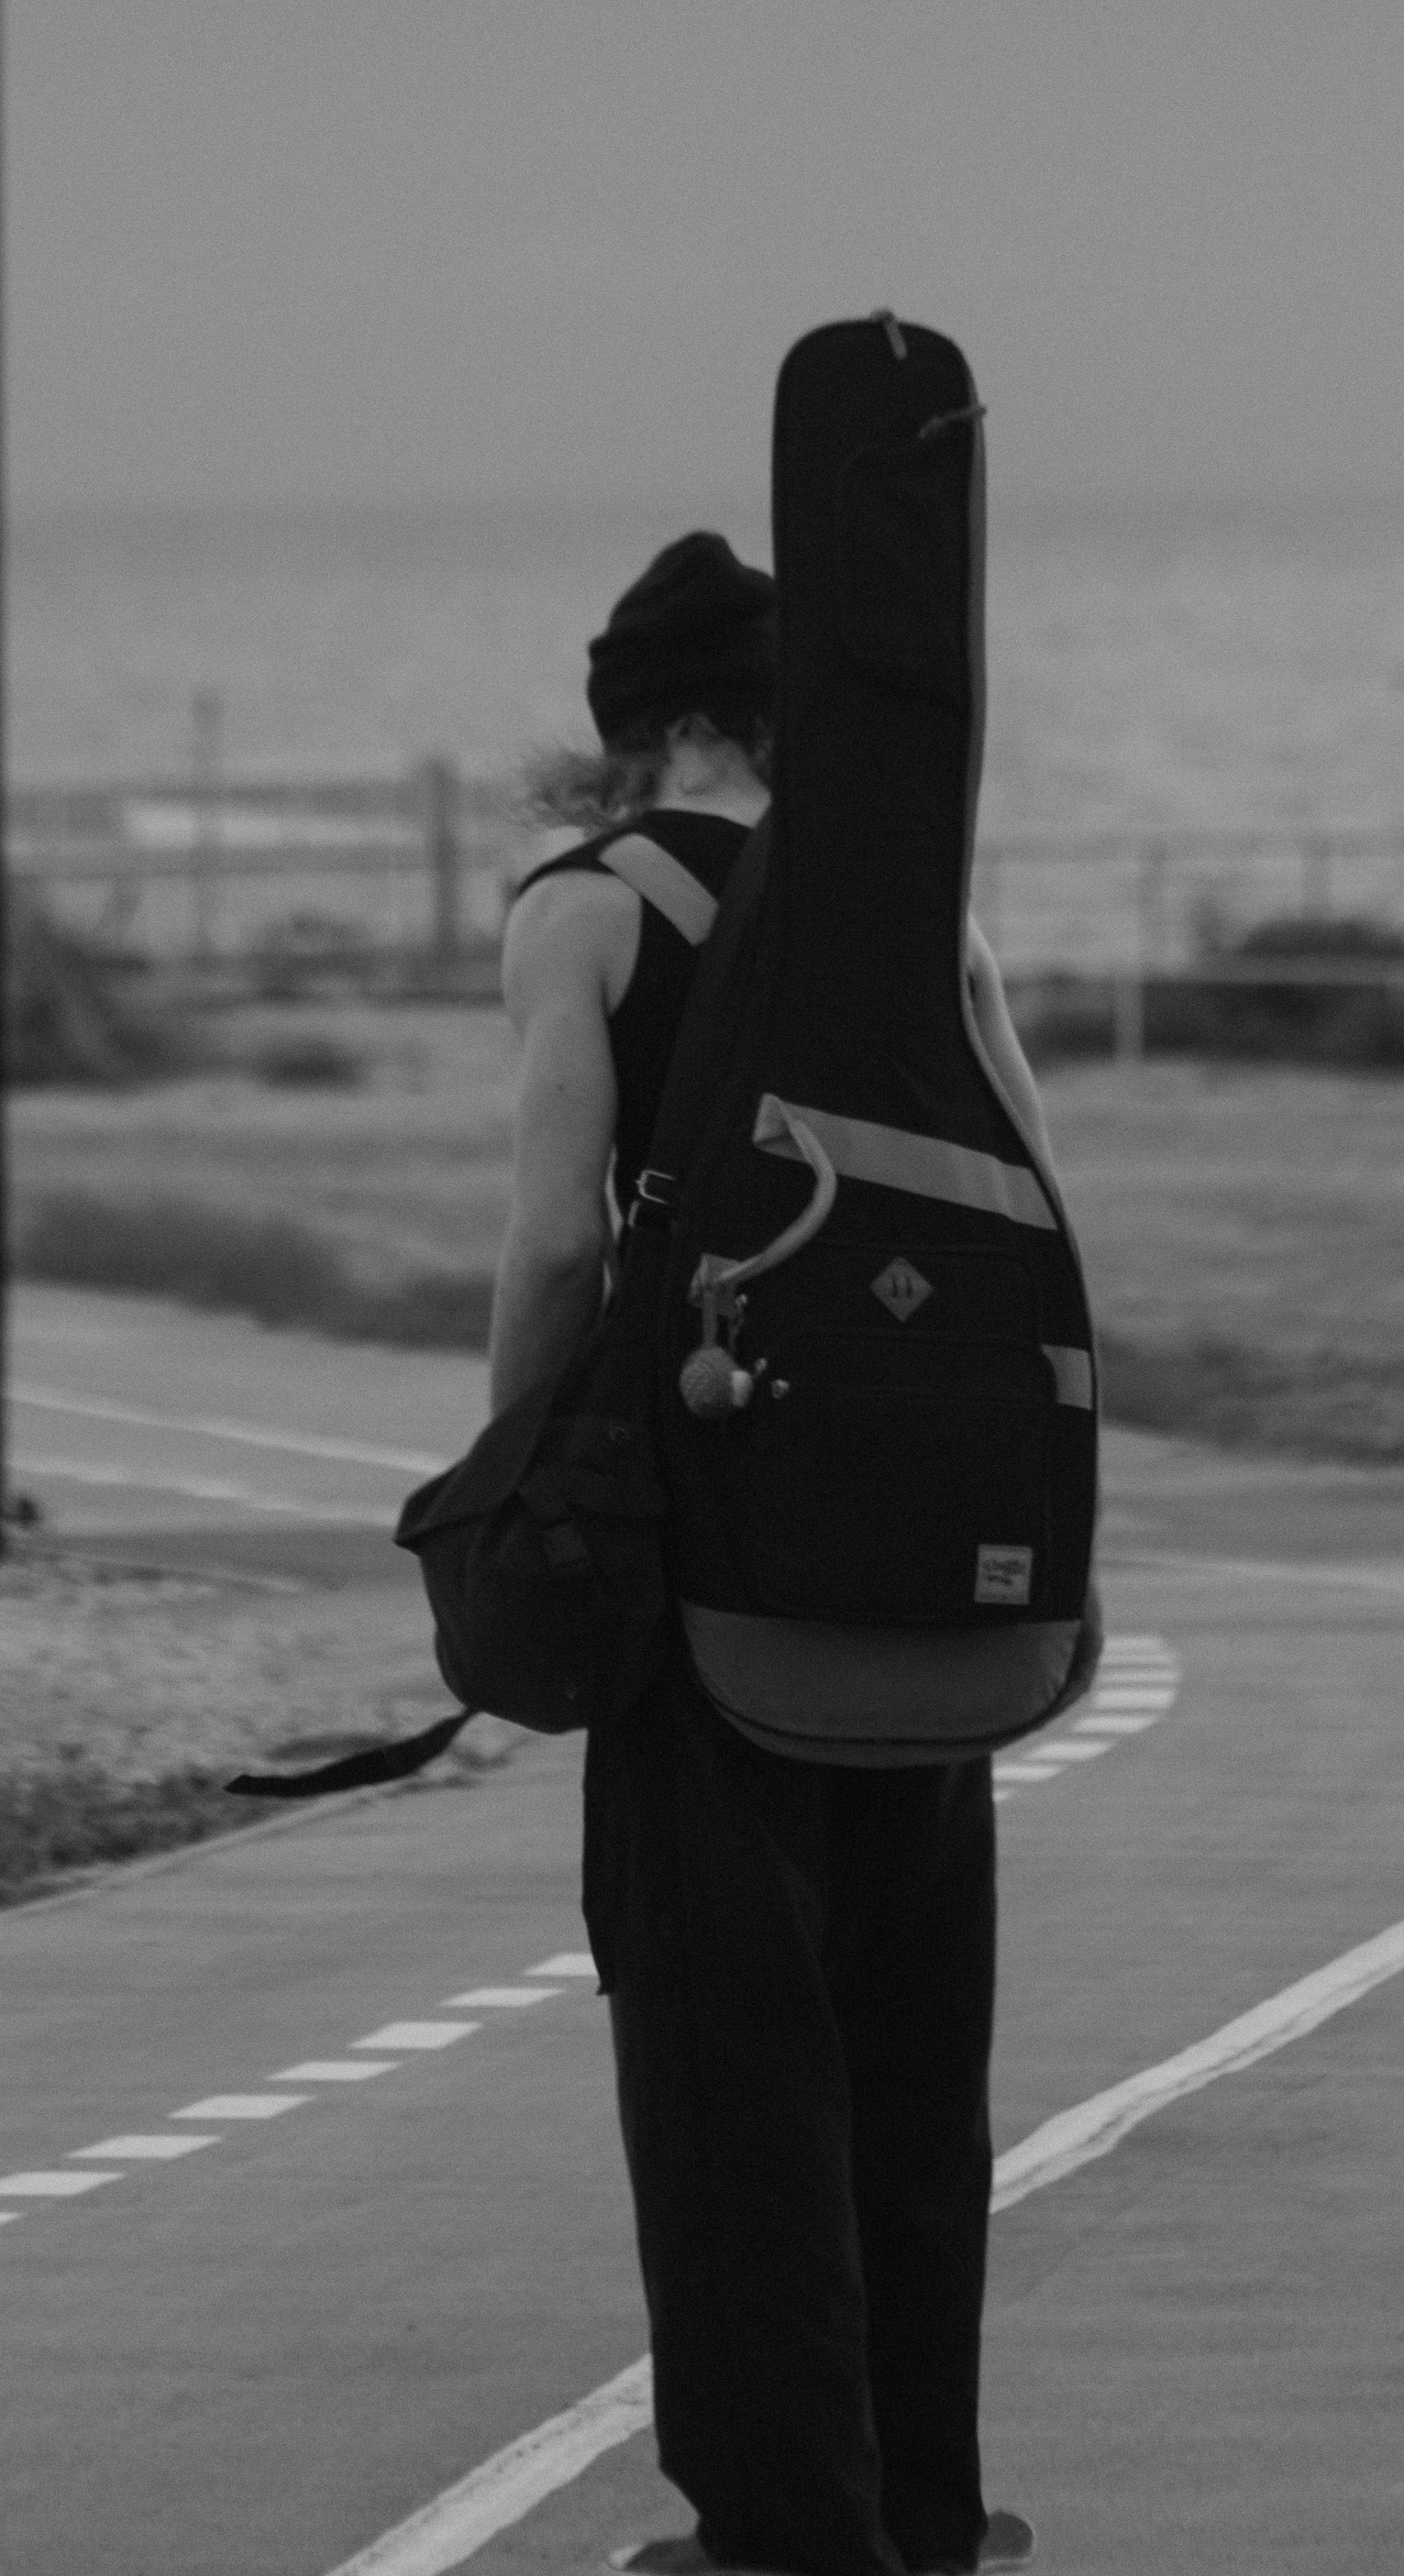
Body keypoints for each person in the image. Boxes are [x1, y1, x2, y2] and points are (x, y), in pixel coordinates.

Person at [492, 529, 1047, 2576]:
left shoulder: (585, 913)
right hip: (918, 1558)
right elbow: (1033, 1205)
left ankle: (782, 2536)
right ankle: (919, 2514)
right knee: (911, 2056)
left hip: (702, 1559)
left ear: (630, 731)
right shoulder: (915, 912)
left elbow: (557, 1244)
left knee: (730, 2072)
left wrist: (515, 1475)